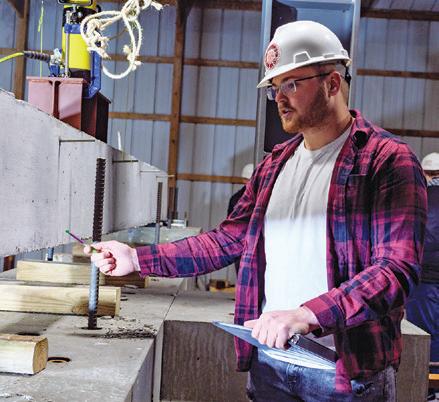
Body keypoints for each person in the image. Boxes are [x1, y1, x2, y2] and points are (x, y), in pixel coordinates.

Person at [86, 21, 427, 401]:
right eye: (274, 88)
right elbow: (226, 240)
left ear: (332, 83)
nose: (279, 98)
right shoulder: (274, 165)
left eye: (291, 84)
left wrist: (307, 315)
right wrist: (136, 258)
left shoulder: (385, 160)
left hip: (344, 373)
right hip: (271, 363)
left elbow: (395, 270)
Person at [405, 152, 439, 401]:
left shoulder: (422, 197)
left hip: (425, 280)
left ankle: (428, 389)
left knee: (424, 335)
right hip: (429, 279)